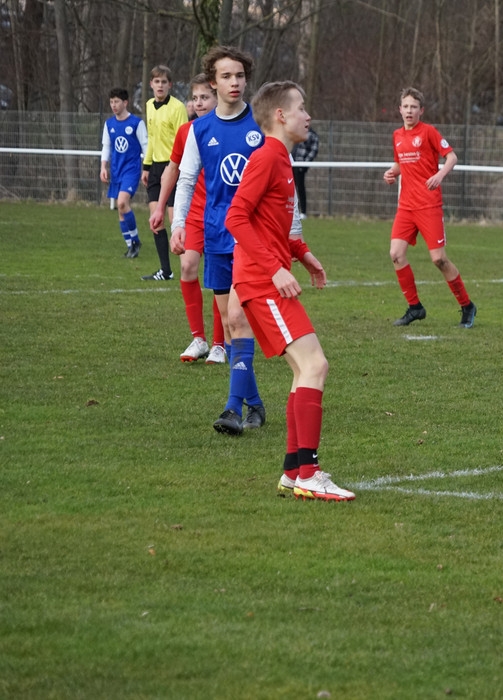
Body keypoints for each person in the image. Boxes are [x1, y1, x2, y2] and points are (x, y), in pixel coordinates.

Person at [226, 80, 354, 502]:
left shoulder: (282, 159)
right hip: (262, 283)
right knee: (315, 365)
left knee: (305, 371)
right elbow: (236, 218)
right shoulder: (266, 157)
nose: (307, 115)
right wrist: (276, 269)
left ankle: (293, 471)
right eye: (301, 107)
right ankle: (309, 475)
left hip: (268, 279)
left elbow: (272, 227)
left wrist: (303, 254)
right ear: (280, 116)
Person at [172, 45, 267, 435]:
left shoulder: (261, 125)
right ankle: (255, 405)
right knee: (230, 327)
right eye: (226, 76)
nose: (234, 82)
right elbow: (187, 180)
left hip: (251, 238)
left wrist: (292, 232)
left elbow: (282, 180)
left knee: (238, 320)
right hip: (215, 236)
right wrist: (179, 223)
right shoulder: (200, 129)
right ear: (213, 82)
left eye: (240, 76)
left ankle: (231, 409)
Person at [149, 73, 227, 364]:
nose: (199, 103)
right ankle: (199, 339)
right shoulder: (187, 131)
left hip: (222, 215)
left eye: (204, 97)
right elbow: (172, 171)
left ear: (217, 97)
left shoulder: (229, 130)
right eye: (195, 98)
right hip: (194, 213)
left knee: (220, 278)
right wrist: (159, 208)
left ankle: (219, 344)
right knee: (187, 266)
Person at [383, 87, 476, 328]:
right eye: (406, 106)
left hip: (428, 206)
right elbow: (400, 163)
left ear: (421, 110)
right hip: (406, 207)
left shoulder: (429, 132)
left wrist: (439, 175)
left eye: (414, 107)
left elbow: (452, 157)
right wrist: (391, 173)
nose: (409, 111)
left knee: (439, 259)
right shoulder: (397, 135)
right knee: (396, 254)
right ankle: (415, 307)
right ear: (400, 109)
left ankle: (467, 306)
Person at [141, 65, 188, 281]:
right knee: (155, 221)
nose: (160, 85)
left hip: (173, 168)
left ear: (170, 85)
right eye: (156, 81)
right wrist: (146, 166)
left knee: (175, 221)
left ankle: (187, 268)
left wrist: (175, 168)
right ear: (151, 84)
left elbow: (184, 141)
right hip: (155, 168)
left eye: (164, 82)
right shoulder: (149, 105)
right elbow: (151, 138)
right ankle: (166, 270)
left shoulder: (178, 108)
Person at [100, 87, 147, 259]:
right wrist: (103, 167)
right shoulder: (109, 124)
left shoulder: (136, 123)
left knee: (121, 203)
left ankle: (136, 241)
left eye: (117, 102)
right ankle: (130, 247)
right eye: (111, 102)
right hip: (116, 170)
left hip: (131, 170)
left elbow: (146, 146)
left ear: (125, 103)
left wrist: (146, 168)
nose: (114, 105)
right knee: (121, 210)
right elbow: (106, 147)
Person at [291, 126, 319, 218]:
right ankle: (291, 210)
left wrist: (305, 163)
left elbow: (313, 150)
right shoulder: (295, 131)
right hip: (291, 163)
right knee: (290, 188)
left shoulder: (312, 135)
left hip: (300, 165)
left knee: (300, 188)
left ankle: (303, 212)